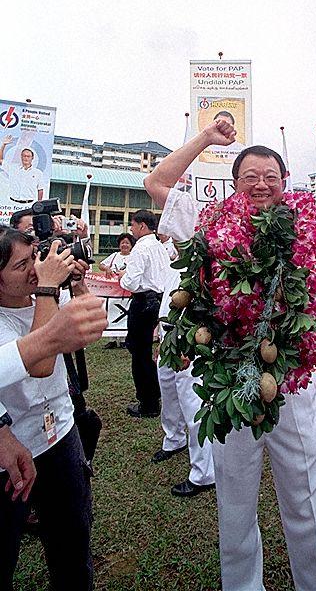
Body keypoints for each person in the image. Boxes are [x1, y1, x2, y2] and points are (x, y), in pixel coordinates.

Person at [145, 117, 316, 591]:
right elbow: (155, 182)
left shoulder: (307, 233)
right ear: (234, 185)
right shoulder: (209, 222)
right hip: (231, 391)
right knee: (235, 505)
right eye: (249, 177)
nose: (261, 184)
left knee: (306, 504)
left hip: (293, 390)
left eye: (271, 177)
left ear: (284, 183)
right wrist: (206, 139)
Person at [0, 227, 107, 591]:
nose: (35, 269)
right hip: (14, 449)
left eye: (34, 258)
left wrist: (77, 287)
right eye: (21, 266)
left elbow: (92, 323)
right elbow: (41, 364)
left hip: (61, 433)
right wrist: (48, 287)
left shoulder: (39, 299)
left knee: (73, 539)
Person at [151, 235, 215, 497]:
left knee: (192, 402)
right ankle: (174, 439)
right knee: (168, 393)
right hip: (169, 337)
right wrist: (161, 338)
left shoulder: (204, 266)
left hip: (190, 341)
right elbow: (168, 302)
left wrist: (190, 346)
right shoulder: (174, 263)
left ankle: (204, 472)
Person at [119, 210, 171, 418]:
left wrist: (123, 278)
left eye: (132, 225)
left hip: (143, 303)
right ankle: (156, 394)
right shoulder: (159, 246)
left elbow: (131, 281)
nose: (131, 229)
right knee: (153, 353)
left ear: (141, 226)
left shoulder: (140, 248)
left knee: (139, 353)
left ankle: (147, 403)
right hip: (159, 300)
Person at [99, 232, 136, 349]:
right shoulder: (114, 255)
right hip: (113, 291)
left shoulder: (134, 256)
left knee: (127, 312)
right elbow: (101, 265)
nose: (124, 245)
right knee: (112, 311)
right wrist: (107, 268)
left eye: (127, 243)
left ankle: (125, 338)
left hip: (128, 290)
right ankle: (112, 339)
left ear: (131, 245)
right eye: (122, 243)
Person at [0, 136, 45, 205]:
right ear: (21, 157)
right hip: (12, 204)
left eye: (28, 156)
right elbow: (0, 160)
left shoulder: (38, 173)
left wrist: (39, 204)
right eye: (24, 156)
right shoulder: (12, 168)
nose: (26, 158)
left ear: (32, 158)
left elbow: (40, 190)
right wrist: (3, 145)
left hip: (28, 205)